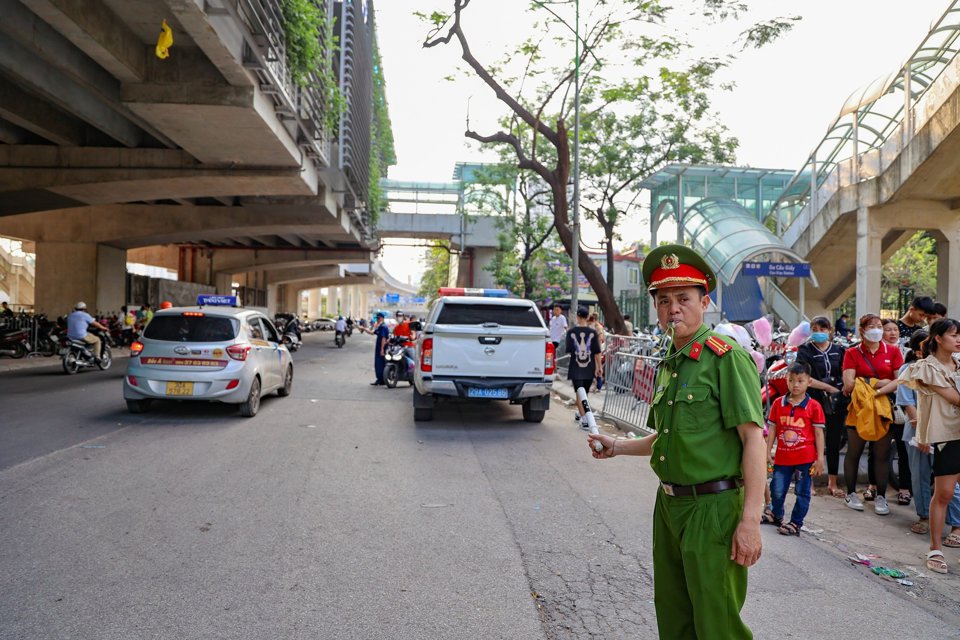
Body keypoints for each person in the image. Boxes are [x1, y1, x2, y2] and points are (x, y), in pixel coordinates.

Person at [587, 244, 765, 640]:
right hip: (669, 506)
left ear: (705, 302)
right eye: (664, 300)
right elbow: (667, 438)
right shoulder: (672, 358)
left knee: (717, 624)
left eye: (683, 299)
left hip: (712, 508)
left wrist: (750, 520)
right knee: (674, 616)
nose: (673, 309)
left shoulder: (725, 358)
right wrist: (617, 446)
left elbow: (754, 439)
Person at [897, 318, 960, 574]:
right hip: (948, 435)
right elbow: (956, 398)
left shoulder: (959, 364)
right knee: (943, 493)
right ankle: (935, 547)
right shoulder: (925, 368)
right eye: (954, 335)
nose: (958, 339)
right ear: (938, 338)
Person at [841, 313, 903, 514]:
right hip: (858, 409)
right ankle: (850, 493)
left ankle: (881, 497)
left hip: (883, 409)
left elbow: (899, 382)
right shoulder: (852, 352)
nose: (877, 329)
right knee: (854, 452)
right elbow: (849, 384)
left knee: (882, 454)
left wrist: (868, 385)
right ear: (862, 331)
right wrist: (879, 383)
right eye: (871, 326)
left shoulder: (893, 352)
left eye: (879, 326)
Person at [763, 362, 825, 536]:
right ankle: (776, 514)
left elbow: (819, 434)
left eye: (800, 381)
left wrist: (820, 458)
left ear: (809, 382)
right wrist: (768, 451)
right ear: (786, 381)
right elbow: (773, 429)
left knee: (802, 492)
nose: (795, 385)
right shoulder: (777, 403)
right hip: (782, 457)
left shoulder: (814, 407)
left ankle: (796, 523)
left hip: (805, 459)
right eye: (791, 380)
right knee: (777, 488)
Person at [795, 316, 848, 498]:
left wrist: (839, 389)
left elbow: (846, 373)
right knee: (811, 441)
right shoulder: (805, 350)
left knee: (834, 441)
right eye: (815, 329)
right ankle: (808, 482)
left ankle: (832, 482)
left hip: (836, 402)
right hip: (814, 400)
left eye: (823, 329)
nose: (819, 332)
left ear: (830, 331)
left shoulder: (839, 351)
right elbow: (803, 376)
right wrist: (826, 387)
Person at [896, 331, 930, 533]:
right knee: (919, 475)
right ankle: (924, 515)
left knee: (948, 478)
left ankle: (955, 522)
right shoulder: (908, 369)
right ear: (918, 351)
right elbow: (908, 404)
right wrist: (922, 430)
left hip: (944, 432)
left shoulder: (946, 367)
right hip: (917, 431)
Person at [566, 307, 601, 430]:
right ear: (587, 317)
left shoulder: (571, 332)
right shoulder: (593, 333)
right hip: (589, 368)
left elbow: (569, 350)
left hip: (576, 368)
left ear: (578, 317)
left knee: (579, 395)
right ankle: (584, 417)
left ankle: (584, 418)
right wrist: (599, 368)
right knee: (584, 394)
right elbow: (597, 352)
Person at [359, 312, 390, 385]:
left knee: (380, 364)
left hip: (381, 348)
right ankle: (379, 379)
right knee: (377, 364)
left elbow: (383, 338)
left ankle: (382, 380)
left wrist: (382, 349)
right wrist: (364, 329)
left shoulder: (383, 327)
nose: (378, 319)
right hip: (378, 348)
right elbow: (372, 333)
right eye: (377, 318)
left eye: (379, 318)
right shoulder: (380, 326)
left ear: (382, 318)